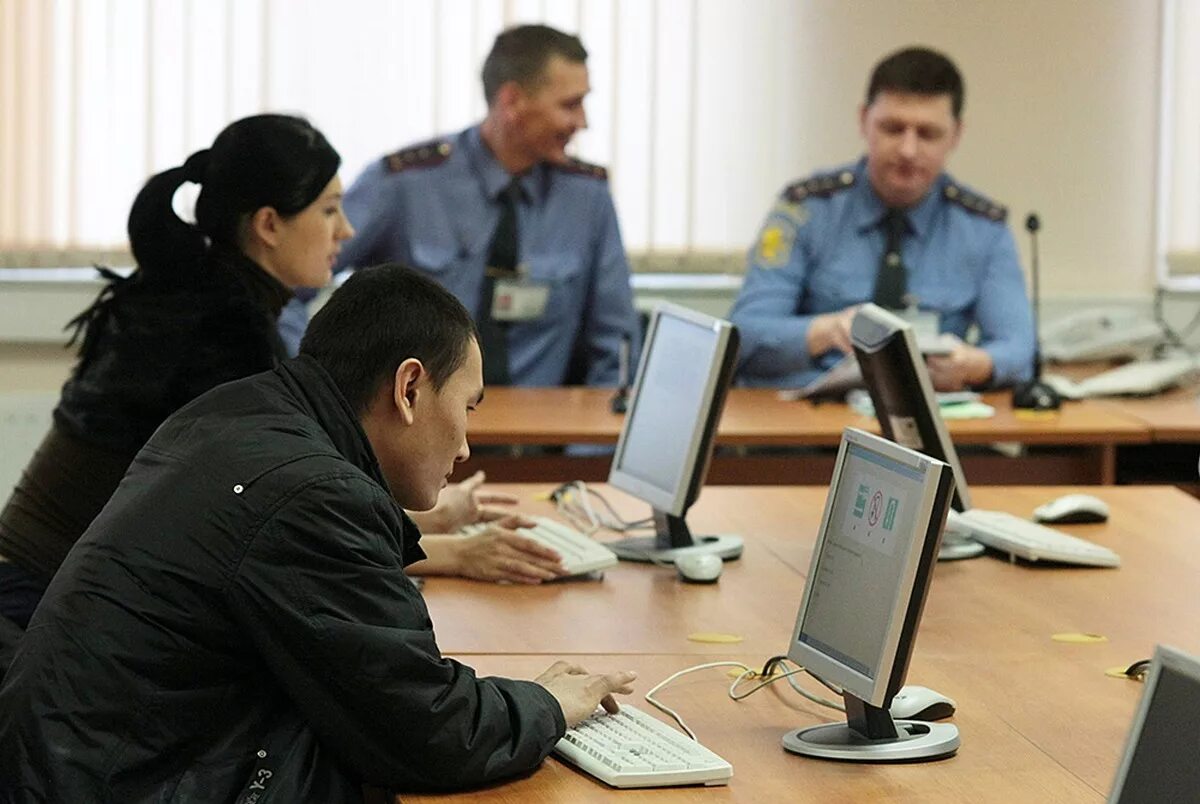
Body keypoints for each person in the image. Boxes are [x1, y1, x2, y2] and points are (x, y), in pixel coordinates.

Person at [0, 264, 637, 800]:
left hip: (79, 767)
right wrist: (550, 704)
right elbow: (432, 731)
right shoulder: (316, 496)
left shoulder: (237, 412)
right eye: (466, 408)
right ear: (410, 387)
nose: (467, 445)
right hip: (129, 784)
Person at [0, 116, 561, 645]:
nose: (347, 230)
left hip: (40, 582)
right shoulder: (222, 338)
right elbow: (276, 535)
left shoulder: (195, 298)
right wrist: (453, 551)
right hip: (43, 600)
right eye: (329, 211)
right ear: (269, 225)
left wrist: (423, 522)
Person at [281, 23, 640, 387]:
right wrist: (317, 393)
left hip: (542, 437)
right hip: (410, 434)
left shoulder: (587, 197)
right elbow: (284, 287)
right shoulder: (404, 184)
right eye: (570, 105)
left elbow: (615, 345)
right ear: (512, 101)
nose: (582, 122)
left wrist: (594, 442)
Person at [730, 46, 1035, 392]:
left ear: (956, 135)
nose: (908, 150)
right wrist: (826, 331)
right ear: (864, 121)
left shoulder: (982, 229)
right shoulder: (805, 209)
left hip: (929, 431)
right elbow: (745, 334)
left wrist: (973, 366)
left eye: (927, 134)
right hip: (807, 426)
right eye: (893, 128)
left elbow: (1019, 349)